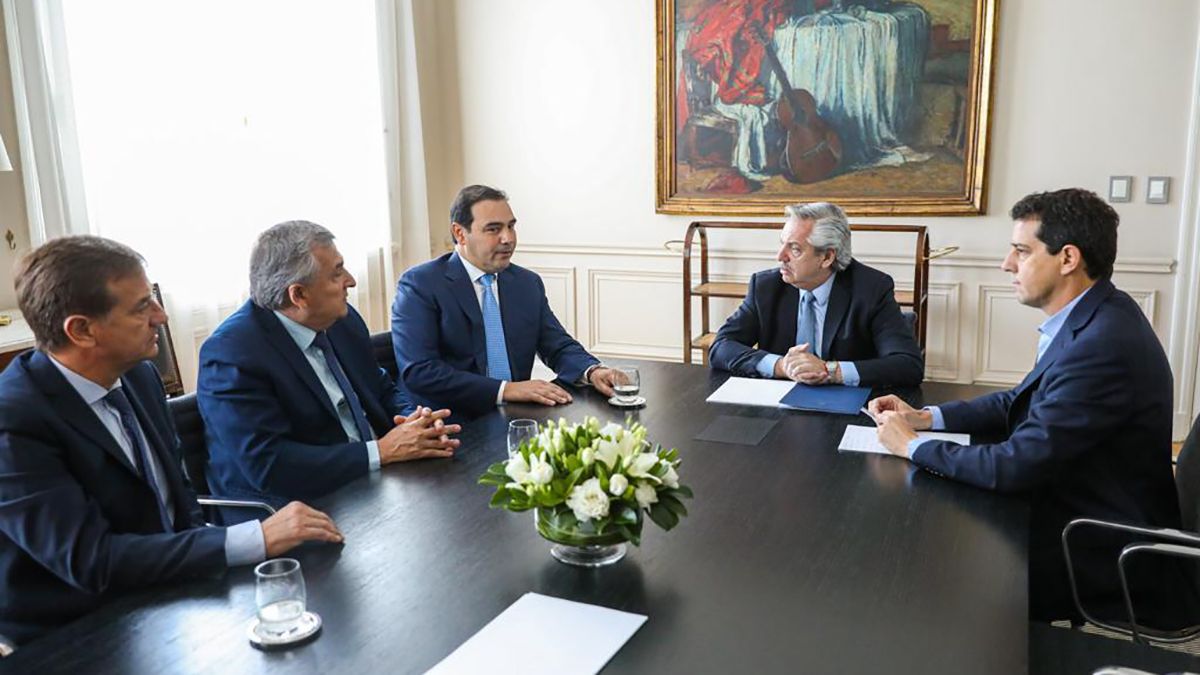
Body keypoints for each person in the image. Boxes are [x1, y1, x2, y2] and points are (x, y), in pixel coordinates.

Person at [870, 188, 1194, 626]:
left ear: (1068, 259)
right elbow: (1022, 398)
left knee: (925, 573)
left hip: (1092, 546)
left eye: (1022, 251)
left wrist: (911, 446)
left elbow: (1015, 466)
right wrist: (927, 418)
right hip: (1077, 510)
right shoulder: (1097, 316)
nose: (1007, 264)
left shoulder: (1102, 346)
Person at [0, 236, 343, 645]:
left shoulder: (139, 377)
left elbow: (179, 499)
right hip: (74, 633)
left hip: (171, 594)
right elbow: (90, 561)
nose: (161, 316)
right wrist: (254, 538)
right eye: (142, 306)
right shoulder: (14, 418)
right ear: (82, 331)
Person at [198, 222, 460, 517]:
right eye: (337, 273)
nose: (351, 281)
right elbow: (268, 464)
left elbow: (380, 386)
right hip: (290, 509)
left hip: (371, 482)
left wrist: (413, 420)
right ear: (299, 295)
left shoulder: (342, 321)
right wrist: (382, 451)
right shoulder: (231, 353)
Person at [391, 185, 623, 418]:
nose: (508, 238)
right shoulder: (420, 284)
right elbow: (420, 371)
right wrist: (506, 390)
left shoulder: (526, 283)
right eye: (493, 229)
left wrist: (592, 371)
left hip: (516, 417)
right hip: (450, 423)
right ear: (460, 233)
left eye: (511, 226)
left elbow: (557, 345)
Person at [709, 202, 923, 387]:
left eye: (795, 249)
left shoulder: (871, 288)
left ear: (827, 257)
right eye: (781, 243)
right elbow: (721, 347)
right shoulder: (766, 287)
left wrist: (829, 371)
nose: (780, 256)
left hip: (847, 408)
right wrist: (782, 366)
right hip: (777, 406)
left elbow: (908, 364)